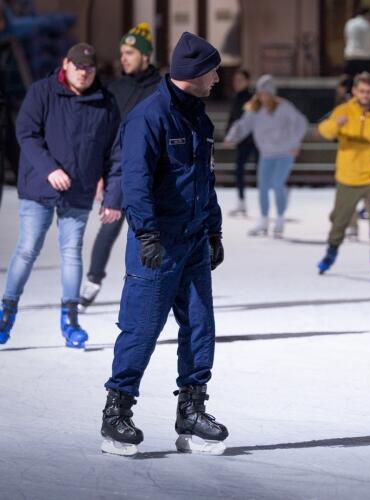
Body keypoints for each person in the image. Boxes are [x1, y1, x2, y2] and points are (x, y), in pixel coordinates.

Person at [101, 32, 228, 456]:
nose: (217, 77)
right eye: (213, 69)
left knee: (199, 327)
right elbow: (134, 180)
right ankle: (116, 412)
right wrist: (148, 233)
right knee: (141, 328)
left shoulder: (198, 118)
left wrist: (214, 229)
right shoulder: (149, 117)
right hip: (156, 242)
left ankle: (191, 412)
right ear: (193, 73)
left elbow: (204, 182)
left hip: (192, 240)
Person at [0, 43, 121, 347]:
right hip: (40, 187)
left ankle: (70, 319)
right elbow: (26, 133)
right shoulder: (43, 92)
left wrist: (113, 196)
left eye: (89, 68)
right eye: (78, 67)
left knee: (71, 252)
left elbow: (115, 155)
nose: (84, 73)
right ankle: (6, 313)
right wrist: (48, 169)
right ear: (66, 64)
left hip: (79, 191)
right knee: (28, 249)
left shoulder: (105, 104)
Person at [78, 23, 161, 313]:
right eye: (122, 52)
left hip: (151, 175)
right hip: (119, 173)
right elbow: (103, 133)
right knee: (109, 228)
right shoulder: (115, 88)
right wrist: (100, 173)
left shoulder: (162, 88)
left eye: (129, 52)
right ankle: (92, 281)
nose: (123, 58)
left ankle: (149, 290)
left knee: (148, 234)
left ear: (145, 55)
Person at [316, 71, 370, 275]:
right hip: (348, 176)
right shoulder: (343, 110)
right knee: (339, 220)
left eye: (369, 91)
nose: (365, 95)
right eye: (361, 91)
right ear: (354, 91)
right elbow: (324, 131)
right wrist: (337, 124)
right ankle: (331, 252)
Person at [224, 74, 307, 238]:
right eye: (261, 93)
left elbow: (300, 122)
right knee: (262, 186)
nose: (263, 97)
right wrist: (232, 137)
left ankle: (280, 219)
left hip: (285, 152)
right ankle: (263, 220)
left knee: (277, 184)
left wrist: (295, 144)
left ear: (272, 94)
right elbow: (243, 125)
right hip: (266, 153)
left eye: (266, 93)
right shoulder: (254, 110)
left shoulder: (284, 107)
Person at [225, 68, 256, 217]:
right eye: (235, 80)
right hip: (241, 141)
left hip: (255, 140)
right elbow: (232, 118)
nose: (236, 83)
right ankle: (241, 202)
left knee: (262, 172)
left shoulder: (252, 98)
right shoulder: (236, 97)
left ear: (247, 81)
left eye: (240, 80)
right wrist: (228, 134)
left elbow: (247, 121)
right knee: (238, 171)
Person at [343, 7, 370, 94]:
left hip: (351, 55)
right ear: (367, 14)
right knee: (366, 80)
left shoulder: (349, 23)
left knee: (350, 79)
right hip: (366, 57)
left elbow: (346, 38)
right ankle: (364, 99)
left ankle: (348, 97)